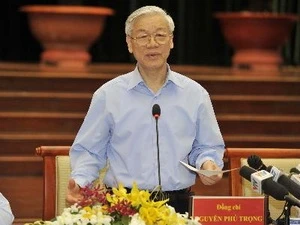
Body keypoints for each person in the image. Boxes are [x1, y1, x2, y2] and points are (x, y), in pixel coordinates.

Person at [67, 5, 225, 214]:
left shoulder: (195, 94)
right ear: (129, 43)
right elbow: (89, 151)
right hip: (123, 206)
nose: (152, 43)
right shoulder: (108, 95)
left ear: (171, 41)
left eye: (160, 35)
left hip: (178, 205)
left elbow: (206, 146)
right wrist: (80, 182)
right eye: (143, 36)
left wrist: (208, 164)